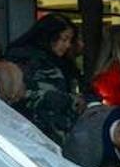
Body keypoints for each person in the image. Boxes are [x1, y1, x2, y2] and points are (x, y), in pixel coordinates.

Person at [5, 14, 81, 144]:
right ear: (49, 37)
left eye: (70, 40)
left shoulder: (61, 62)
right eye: (64, 39)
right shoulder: (25, 61)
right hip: (34, 133)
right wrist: (69, 100)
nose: (67, 45)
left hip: (56, 131)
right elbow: (23, 94)